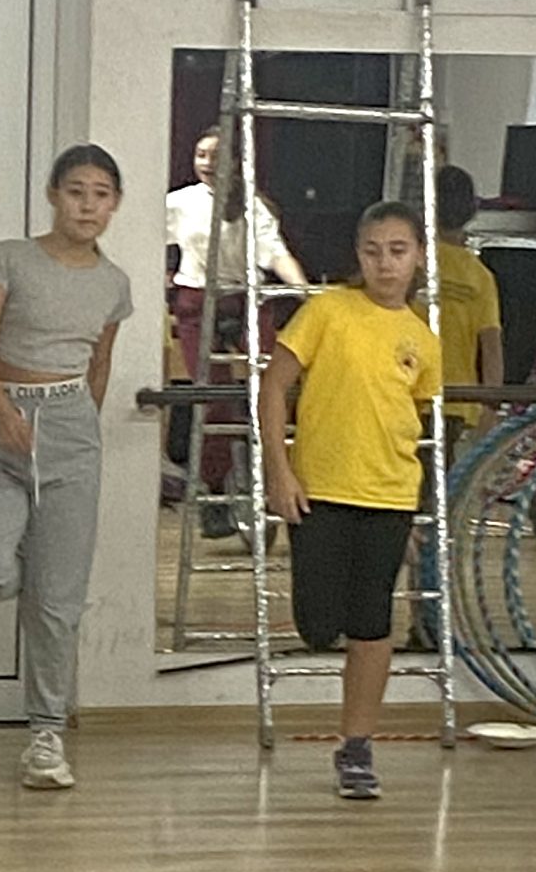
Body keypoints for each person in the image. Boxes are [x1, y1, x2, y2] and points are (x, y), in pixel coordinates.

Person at [0, 145, 133, 792]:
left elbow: (100, 363)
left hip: (70, 429)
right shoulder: (9, 258)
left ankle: (46, 735)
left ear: (114, 204)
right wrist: (3, 412)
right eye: (76, 191)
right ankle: (41, 581)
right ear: (54, 195)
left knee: (60, 602)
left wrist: (79, 424)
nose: (88, 205)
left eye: (101, 194)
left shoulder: (114, 284)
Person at [261, 200, 441, 802]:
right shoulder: (327, 311)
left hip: (389, 497)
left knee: (371, 623)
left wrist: (410, 512)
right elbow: (274, 385)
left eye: (398, 251)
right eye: (373, 251)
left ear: (418, 257)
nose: (385, 264)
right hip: (320, 491)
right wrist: (279, 469)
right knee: (318, 623)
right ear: (358, 255)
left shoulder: (422, 339)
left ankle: (357, 746)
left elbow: (408, 420)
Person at [166, 123, 307, 533]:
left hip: (245, 299)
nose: (207, 163)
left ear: (235, 161)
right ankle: (214, 492)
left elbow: (275, 252)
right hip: (198, 300)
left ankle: (276, 478)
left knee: (272, 387)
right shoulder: (180, 202)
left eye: (216, 156)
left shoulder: (253, 205)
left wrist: (303, 291)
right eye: (201, 155)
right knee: (213, 399)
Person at [421, 164, 504, 450]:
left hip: (406, 394)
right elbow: (491, 349)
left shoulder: (412, 261)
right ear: (472, 211)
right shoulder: (480, 276)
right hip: (457, 400)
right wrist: (491, 408)